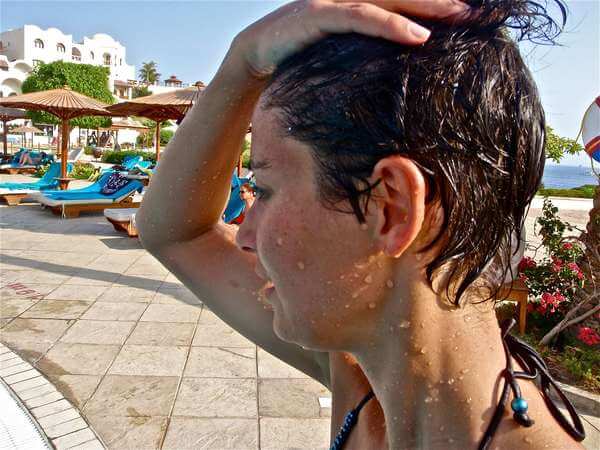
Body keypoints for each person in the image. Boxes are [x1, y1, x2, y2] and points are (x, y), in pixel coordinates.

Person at [138, 1, 585, 449]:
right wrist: (242, 62)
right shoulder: (364, 373)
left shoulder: (358, 375)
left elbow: (178, 234)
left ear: (390, 206)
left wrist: (247, 66)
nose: (246, 233)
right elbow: (175, 231)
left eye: (266, 188)